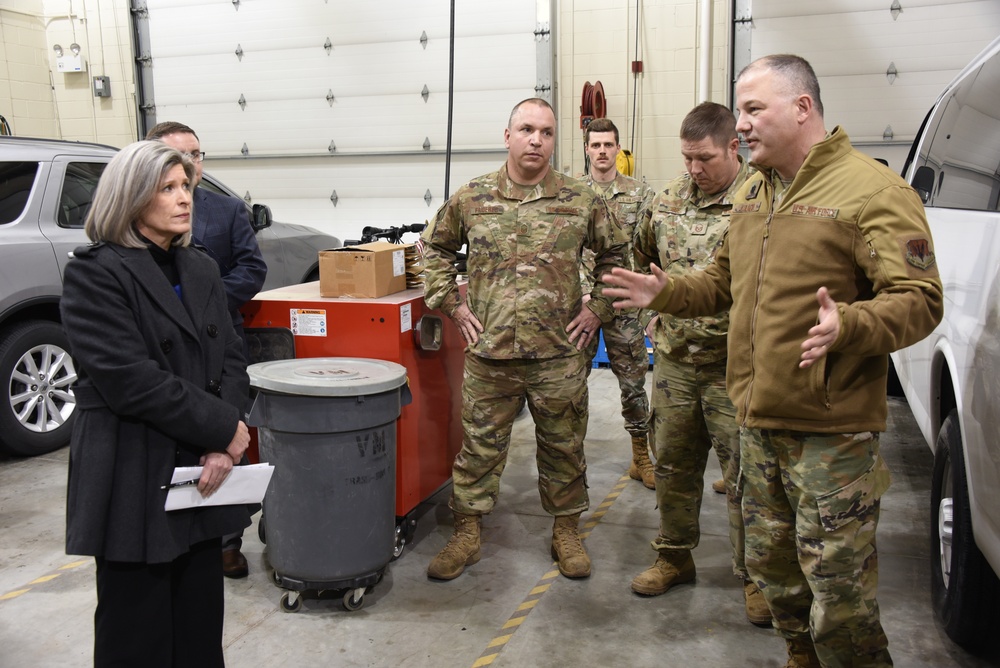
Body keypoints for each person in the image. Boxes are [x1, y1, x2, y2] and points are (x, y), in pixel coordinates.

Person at [603, 55, 943, 667]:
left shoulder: (872, 191)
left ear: (802, 108)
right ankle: (798, 655)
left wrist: (852, 324)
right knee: (774, 572)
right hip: (756, 423)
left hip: (830, 437)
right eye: (740, 111)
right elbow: (723, 284)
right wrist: (667, 294)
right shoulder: (755, 191)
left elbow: (920, 301)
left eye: (754, 109)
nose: (742, 125)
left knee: (839, 599)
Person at [60, 140, 252, 667]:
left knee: (197, 628)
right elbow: (131, 380)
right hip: (132, 468)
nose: (183, 198)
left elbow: (232, 358)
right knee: (136, 633)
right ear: (131, 197)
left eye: (185, 185)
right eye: (166, 188)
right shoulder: (95, 273)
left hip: (200, 469)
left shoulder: (201, 269)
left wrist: (225, 444)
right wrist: (222, 429)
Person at [421, 97, 627, 581]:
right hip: (491, 353)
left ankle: (566, 531)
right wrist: (452, 304)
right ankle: (467, 532)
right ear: (508, 136)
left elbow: (617, 255)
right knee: (479, 447)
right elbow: (434, 248)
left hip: (559, 353)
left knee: (564, 446)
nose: (537, 140)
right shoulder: (472, 197)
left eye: (547, 132)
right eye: (528, 129)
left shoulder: (580, 200)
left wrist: (597, 310)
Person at [628, 101, 769, 626]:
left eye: (704, 157)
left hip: (736, 368)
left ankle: (754, 577)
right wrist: (651, 306)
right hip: (675, 365)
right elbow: (641, 257)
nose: (694, 169)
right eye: (686, 158)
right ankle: (673, 557)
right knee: (672, 467)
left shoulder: (759, 200)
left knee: (746, 479)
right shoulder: (663, 202)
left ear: (734, 146)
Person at [146, 121, 267, 579]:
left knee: (224, 442)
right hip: (166, 355)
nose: (190, 166)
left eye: (195, 156)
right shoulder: (121, 255)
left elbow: (252, 268)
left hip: (218, 345)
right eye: (177, 157)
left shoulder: (226, 209)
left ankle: (226, 540)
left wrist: (206, 302)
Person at [579, 117, 656, 489]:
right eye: (596, 145)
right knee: (571, 383)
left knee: (633, 384)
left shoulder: (640, 194)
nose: (602, 152)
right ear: (587, 149)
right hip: (582, 307)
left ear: (618, 148)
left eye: (608, 145)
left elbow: (646, 251)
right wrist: (582, 292)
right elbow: (569, 250)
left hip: (624, 305)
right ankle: (568, 457)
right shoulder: (572, 193)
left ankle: (641, 456)